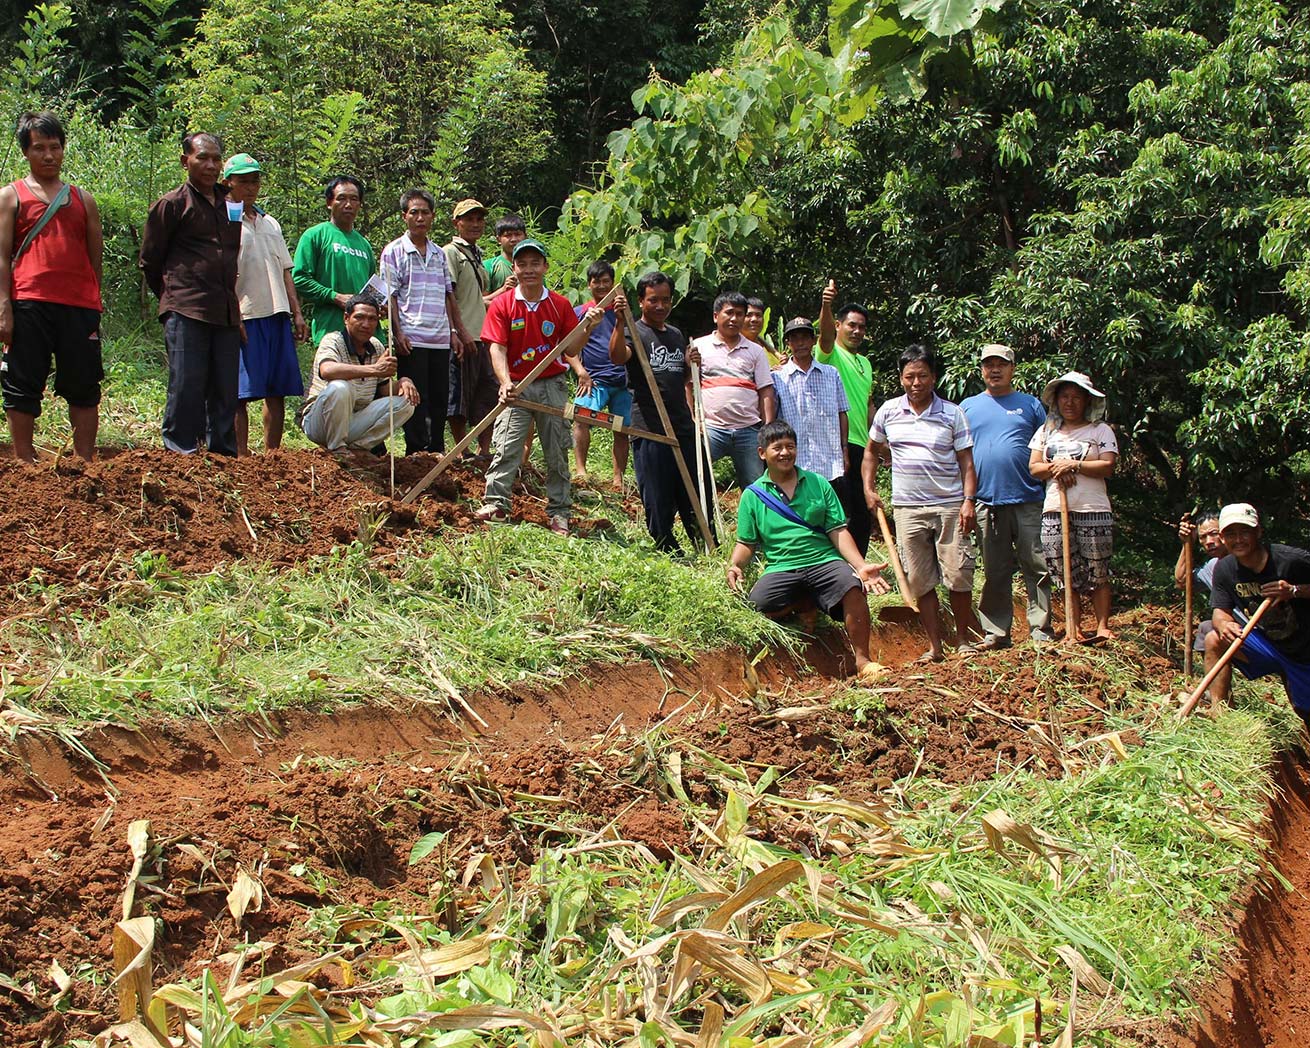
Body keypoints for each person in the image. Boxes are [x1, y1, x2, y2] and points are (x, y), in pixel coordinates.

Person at [728, 420, 891, 681]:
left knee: (852, 587)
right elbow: (746, 543)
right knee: (756, 605)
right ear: (762, 453)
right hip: (782, 567)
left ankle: (864, 662)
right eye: (777, 447)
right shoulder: (753, 495)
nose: (785, 453)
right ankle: (806, 603)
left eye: (790, 446)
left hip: (824, 561)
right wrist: (736, 565)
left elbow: (838, 531)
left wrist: (860, 566)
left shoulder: (818, 483)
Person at [474, 239, 602, 535]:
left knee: (556, 451)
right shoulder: (503, 304)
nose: (528, 270)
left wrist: (589, 327)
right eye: (522, 264)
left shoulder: (559, 304)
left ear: (545, 266)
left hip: (551, 385)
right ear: (514, 268)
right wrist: (505, 383)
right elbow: (497, 349)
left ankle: (559, 512)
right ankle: (497, 504)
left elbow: (571, 348)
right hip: (517, 385)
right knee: (506, 446)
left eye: (535, 263)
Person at [866, 343, 983, 661]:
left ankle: (962, 640)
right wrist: (869, 488)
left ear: (934, 377)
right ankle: (935, 646)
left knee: (958, 575)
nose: (915, 383)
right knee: (920, 579)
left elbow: (967, 463)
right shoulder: (889, 412)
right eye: (909, 377)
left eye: (922, 376)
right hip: (908, 509)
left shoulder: (952, 413)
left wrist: (968, 500)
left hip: (949, 506)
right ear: (901, 378)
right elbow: (870, 452)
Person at [0, 111, 103, 463]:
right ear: (26, 152)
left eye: (55, 147)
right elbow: (1, 257)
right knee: (22, 382)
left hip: (78, 305)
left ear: (63, 150)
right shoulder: (10, 197)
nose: (48, 155)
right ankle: (26, 460)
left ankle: (85, 460)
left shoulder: (82, 199)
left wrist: (93, 304)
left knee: (84, 384)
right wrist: (4, 306)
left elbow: (93, 258)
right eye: (39, 148)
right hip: (29, 301)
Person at [140, 131, 242, 456]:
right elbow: (150, 261)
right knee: (187, 383)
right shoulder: (171, 205)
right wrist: (172, 298)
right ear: (186, 161)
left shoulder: (231, 205)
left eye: (216, 158)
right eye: (202, 158)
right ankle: (181, 454)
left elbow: (232, 255)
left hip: (225, 309)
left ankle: (223, 455)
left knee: (226, 387)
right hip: (186, 308)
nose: (210, 165)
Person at [609, 272, 714, 551]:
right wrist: (619, 324)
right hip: (650, 426)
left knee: (693, 487)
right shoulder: (634, 330)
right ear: (641, 301)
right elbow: (619, 357)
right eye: (653, 300)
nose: (660, 306)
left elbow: (677, 378)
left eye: (665, 300)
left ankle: (704, 541)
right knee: (657, 492)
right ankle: (666, 545)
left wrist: (691, 363)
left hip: (681, 424)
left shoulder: (676, 334)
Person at [960, 344, 1053, 648]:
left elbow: (1049, 446)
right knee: (995, 571)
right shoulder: (969, 407)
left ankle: (1040, 628)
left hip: (1028, 499)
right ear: (981, 370)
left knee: (1036, 566)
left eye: (1001, 364)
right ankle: (996, 632)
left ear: (1013, 369)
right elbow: (961, 453)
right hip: (987, 501)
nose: (995, 370)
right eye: (989, 365)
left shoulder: (1030, 405)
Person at [221, 153, 307, 456]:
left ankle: (273, 453)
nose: (250, 186)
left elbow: (286, 270)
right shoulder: (224, 220)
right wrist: (234, 316)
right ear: (227, 182)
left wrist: (296, 312)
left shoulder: (270, 222)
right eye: (243, 180)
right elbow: (224, 272)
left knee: (277, 388)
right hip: (246, 312)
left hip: (277, 312)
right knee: (241, 391)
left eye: (254, 180)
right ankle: (241, 453)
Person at [380, 188, 472, 455]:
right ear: (404, 217)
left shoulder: (438, 254)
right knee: (415, 398)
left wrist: (455, 331)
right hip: (412, 336)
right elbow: (391, 297)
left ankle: (437, 451)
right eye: (414, 212)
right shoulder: (394, 252)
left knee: (439, 398)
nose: (420, 218)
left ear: (433, 217)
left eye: (425, 213)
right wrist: (398, 333)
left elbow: (448, 294)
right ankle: (417, 452)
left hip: (440, 338)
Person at [1027, 371, 1118, 641]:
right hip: (1055, 508)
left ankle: (1102, 626)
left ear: (1087, 401)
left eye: (1076, 397)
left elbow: (1108, 465)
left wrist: (1075, 465)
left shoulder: (1100, 430)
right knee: (1064, 571)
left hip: (1093, 509)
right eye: (1065, 397)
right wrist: (1056, 468)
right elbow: (1034, 467)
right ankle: (1073, 627)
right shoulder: (1046, 431)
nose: (1070, 402)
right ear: (1057, 401)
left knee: (1098, 569)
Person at [1206, 503, 1310, 728]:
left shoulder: (1292, 560)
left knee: (1305, 711)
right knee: (1213, 637)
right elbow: (1219, 612)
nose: (1238, 539)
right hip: (1270, 647)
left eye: (1244, 532)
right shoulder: (1225, 569)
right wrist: (1224, 624)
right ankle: (1219, 715)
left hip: (1305, 650)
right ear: (1223, 538)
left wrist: (1294, 591)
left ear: (1258, 532)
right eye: (1230, 534)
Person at [298, 295, 417, 453]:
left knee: (407, 402)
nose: (366, 324)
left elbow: (384, 390)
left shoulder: (376, 346)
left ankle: (358, 450)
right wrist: (374, 369)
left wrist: (403, 381)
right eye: (359, 317)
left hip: (352, 421)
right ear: (346, 318)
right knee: (340, 387)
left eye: (372, 319)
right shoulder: (333, 340)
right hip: (319, 422)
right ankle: (337, 449)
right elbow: (327, 370)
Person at [693, 291, 775, 488]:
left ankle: (755, 519)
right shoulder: (699, 347)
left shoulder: (755, 351)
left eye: (740, 314)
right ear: (715, 316)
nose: (734, 318)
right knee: (696, 475)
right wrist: (694, 420)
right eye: (729, 313)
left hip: (748, 430)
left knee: (757, 486)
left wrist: (767, 427)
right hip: (711, 428)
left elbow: (766, 391)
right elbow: (689, 385)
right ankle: (698, 518)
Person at [818, 282, 873, 554]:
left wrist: (880, 441)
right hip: (840, 444)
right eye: (851, 325)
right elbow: (825, 336)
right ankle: (841, 570)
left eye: (862, 327)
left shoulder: (865, 363)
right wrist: (826, 304)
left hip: (864, 446)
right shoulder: (831, 355)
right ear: (839, 325)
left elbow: (868, 403)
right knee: (845, 512)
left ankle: (859, 570)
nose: (857, 331)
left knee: (864, 513)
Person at [292, 175, 374, 349]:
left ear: (359, 205)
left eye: (354, 199)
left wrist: (377, 305)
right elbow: (300, 278)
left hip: (366, 335)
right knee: (333, 376)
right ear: (329, 203)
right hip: (331, 329)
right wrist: (335, 297)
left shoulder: (364, 244)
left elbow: (371, 285)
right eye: (342, 198)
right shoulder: (315, 235)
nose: (348, 204)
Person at [444, 199, 498, 457]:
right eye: (469, 219)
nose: (475, 224)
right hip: (464, 335)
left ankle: (484, 450)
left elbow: (479, 298)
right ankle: (461, 449)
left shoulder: (476, 255)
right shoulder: (451, 253)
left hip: (483, 336)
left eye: (479, 219)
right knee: (460, 398)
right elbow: (449, 294)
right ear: (457, 223)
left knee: (486, 393)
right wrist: (458, 331)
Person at [572, 261, 630, 488]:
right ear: (589, 284)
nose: (602, 286)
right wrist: (580, 371)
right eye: (597, 281)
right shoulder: (580, 313)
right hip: (593, 380)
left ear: (613, 284)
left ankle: (618, 478)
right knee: (580, 417)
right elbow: (569, 349)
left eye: (607, 281)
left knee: (622, 428)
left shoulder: (622, 313)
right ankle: (580, 470)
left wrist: (621, 316)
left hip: (622, 381)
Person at [771, 317, 848, 487]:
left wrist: (844, 449)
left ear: (813, 341)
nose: (800, 343)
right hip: (793, 461)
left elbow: (842, 413)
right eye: (795, 338)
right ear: (788, 343)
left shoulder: (831, 374)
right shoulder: (777, 377)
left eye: (805, 337)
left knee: (831, 510)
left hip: (829, 461)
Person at [485, 213, 526, 294]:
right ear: (498, 239)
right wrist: (503, 290)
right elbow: (480, 302)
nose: (513, 239)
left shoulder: (533, 267)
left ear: (525, 236)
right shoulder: (488, 266)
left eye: (517, 234)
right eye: (508, 235)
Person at [743, 296, 780, 366]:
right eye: (749, 315)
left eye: (758, 315)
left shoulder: (769, 351)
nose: (754, 319)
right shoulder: (733, 346)